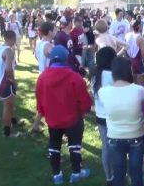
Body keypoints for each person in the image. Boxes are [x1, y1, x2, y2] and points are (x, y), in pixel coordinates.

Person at [36, 45, 92, 184]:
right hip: (73, 119)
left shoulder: (42, 77)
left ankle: (57, 175)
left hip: (53, 119)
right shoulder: (75, 77)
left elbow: (39, 98)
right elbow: (84, 100)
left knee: (54, 146)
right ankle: (76, 173)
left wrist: (43, 112)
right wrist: (84, 110)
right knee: (75, 146)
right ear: (66, 58)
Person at [98, 57, 144, 186]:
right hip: (136, 135)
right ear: (129, 71)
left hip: (114, 137)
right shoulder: (139, 90)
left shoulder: (103, 92)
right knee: (137, 175)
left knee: (118, 175)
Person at [92, 47, 117, 186]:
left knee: (106, 146)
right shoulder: (114, 75)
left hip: (100, 115)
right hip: (113, 115)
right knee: (116, 146)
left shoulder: (95, 75)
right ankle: (117, 173)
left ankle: (109, 176)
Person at [31, 22, 56, 133]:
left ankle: (35, 126)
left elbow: (36, 56)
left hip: (41, 75)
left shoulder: (39, 44)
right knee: (51, 104)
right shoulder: (48, 46)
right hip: (49, 78)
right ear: (50, 32)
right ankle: (55, 129)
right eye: (55, 30)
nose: (56, 32)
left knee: (43, 104)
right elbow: (57, 59)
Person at [0, 30, 19, 137]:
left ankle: (13, 121)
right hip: (6, 81)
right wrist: (13, 81)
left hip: (0, 80)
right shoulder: (9, 50)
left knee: (10, 103)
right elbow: (9, 69)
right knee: (7, 106)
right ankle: (7, 132)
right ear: (13, 39)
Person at [126, 20, 144, 85]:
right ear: (139, 26)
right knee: (140, 83)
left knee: (133, 80)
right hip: (137, 60)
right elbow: (143, 53)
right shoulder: (140, 38)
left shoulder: (127, 35)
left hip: (130, 59)